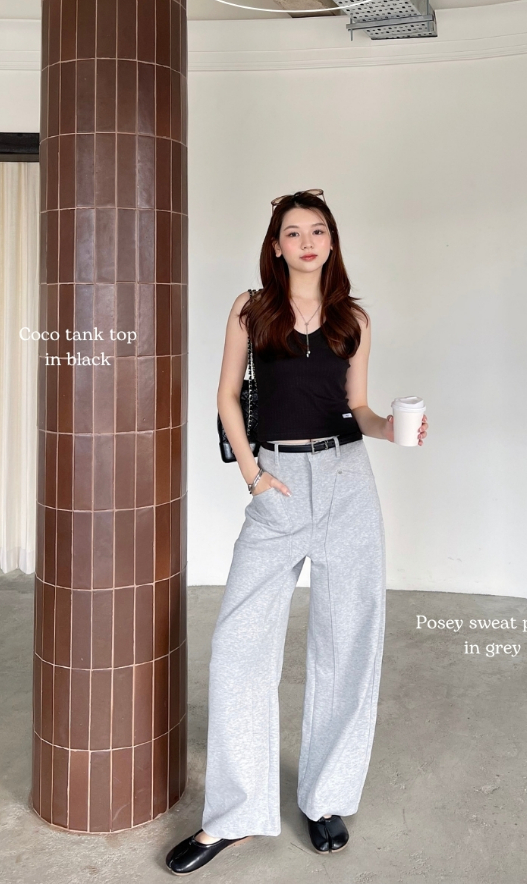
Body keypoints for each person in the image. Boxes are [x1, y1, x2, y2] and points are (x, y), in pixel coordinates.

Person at [165, 189, 428, 875]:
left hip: (346, 481)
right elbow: (227, 395)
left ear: (331, 241)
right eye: (293, 232)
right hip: (277, 481)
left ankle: (325, 798)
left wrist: (392, 428)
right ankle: (235, 815)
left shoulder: (353, 319)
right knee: (238, 645)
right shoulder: (252, 310)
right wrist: (253, 475)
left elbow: (358, 407)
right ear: (276, 245)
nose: (307, 241)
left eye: (318, 230)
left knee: (347, 640)